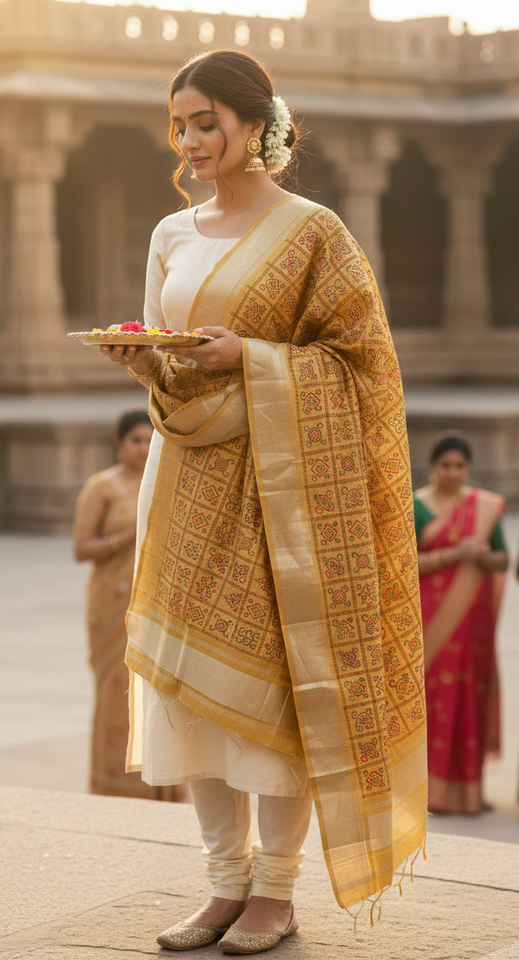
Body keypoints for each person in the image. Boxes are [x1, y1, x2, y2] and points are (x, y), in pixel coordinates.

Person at [97, 49, 426, 953]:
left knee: (274, 694)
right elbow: (169, 351)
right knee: (188, 694)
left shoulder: (313, 231)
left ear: (254, 123)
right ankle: (220, 884)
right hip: (186, 474)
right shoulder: (173, 232)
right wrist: (147, 362)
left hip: (283, 498)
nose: (191, 139)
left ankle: (274, 893)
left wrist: (246, 356)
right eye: (179, 123)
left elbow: (364, 366)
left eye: (207, 121)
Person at [74, 409, 188, 802]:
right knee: (117, 694)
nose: (142, 448)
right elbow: (81, 548)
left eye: (148, 439)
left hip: (158, 604)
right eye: (135, 440)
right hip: (112, 608)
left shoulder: (165, 480)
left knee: (159, 693)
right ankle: (118, 786)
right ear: (119, 444)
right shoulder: (101, 487)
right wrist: (129, 535)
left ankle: (166, 786)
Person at [414, 432, 508, 817]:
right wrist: (455, 553)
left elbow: (503, 561)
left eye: (460, 466)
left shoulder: (484, 507)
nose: (453, 472)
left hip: (472, 622)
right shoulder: (416, 506)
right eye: (445, 465)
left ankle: (468, 793)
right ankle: (423, 790)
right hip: (428, 619)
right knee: (428, 697)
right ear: (433, 467)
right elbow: (404, 563)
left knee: (469, 695)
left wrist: (481, 555)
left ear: (468, 468)